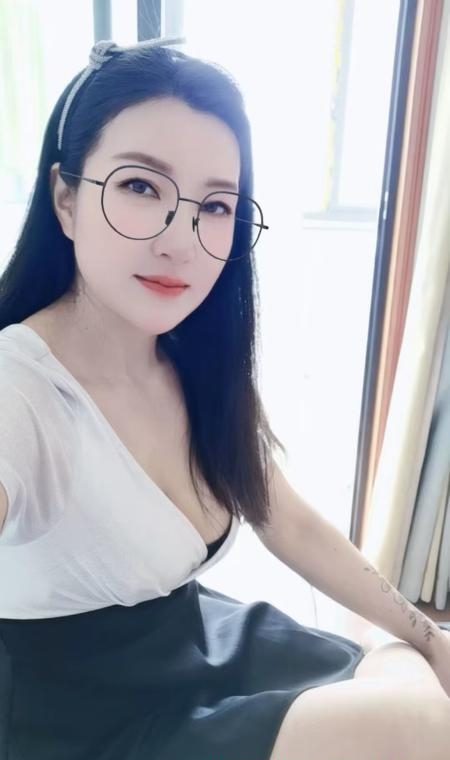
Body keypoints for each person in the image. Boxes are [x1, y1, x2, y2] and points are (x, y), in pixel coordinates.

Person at [0, 36, 449, 760]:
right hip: (83, 720)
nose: (181, 240)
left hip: (195, 646)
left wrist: (429, 636)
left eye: (215, 205)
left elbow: (288, 521)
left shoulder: (190, 364)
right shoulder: (19, 389)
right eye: (140, 187)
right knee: (418, 724)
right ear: (66, 198)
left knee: (413, 672)